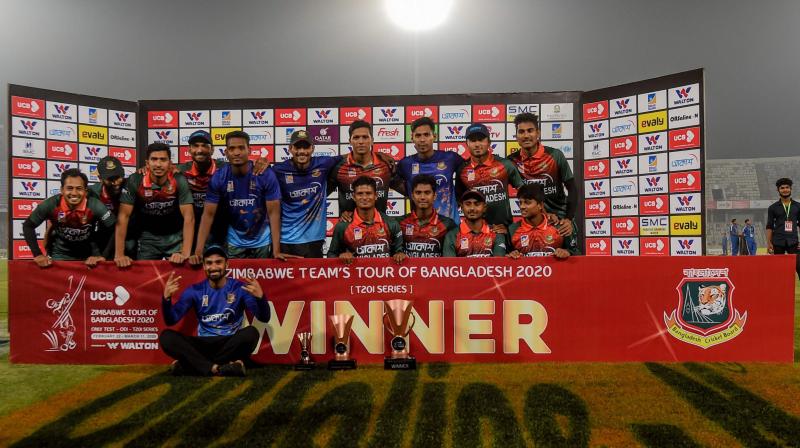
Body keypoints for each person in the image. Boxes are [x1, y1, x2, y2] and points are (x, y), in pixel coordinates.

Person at [159, 245, 269, 376]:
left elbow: (264, 318)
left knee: (252, 333)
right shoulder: (194, 290)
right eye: (209, 263)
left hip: (229, 342)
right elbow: (171, 320)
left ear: (226, 264)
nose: (214, 267)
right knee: (166, 337)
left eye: (218, 262)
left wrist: (261, 298)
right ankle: (220, 368)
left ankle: (192, 366)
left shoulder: (240, 288)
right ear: (204, 266)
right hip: (203, 344)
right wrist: (166, 299)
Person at [193, 131, 290, 261]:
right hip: (235, 242)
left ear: (249, 150)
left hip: (262, 241)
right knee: (235, 280)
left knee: (263, 281)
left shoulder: (265, 174)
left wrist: (276, 251)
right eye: (232, 148)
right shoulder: (219, 177)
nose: (237, 152)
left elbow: (274, 213)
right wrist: (198, 252)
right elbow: (208, 215)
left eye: (241, 148)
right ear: (226, 152)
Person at [114, 143, 195, 266]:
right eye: (154, 159)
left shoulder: (179, 180)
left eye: (163, 160)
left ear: (169, 163)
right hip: (148, 238)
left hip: (175, 237)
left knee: (181, 276)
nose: (158, 164)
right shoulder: (135, 180)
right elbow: (123, 217)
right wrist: (119, 254)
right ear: (147, 163)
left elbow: (189, 217)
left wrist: (185, 253)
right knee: (144, 278)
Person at [23, 168, 116, 268]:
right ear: (62, 190)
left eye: (79, 188)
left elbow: (115, 228)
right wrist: (37, 254)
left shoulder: (95, 205)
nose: (74, 193)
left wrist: (103, 256)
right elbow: (28, 226)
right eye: (69, 188)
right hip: (60, 255)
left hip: (89, 256)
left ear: (85, 191)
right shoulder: (51, 204)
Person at [271, 130, 342, 258]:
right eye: (298, 147)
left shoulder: (323, 163)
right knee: (286, 278)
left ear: (313, 148)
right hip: (286, 239)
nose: (302, 151)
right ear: (290, 149)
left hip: (314, 239)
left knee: (313, 278)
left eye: (306, 147)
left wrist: (379, 154)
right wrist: (261, 162)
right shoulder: (278, 169)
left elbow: (350, 156)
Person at [508, 112, 577, 238]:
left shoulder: (555, 156)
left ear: (538, 133)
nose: (526, 135)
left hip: (560, 221)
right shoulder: (512, 162)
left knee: (569, 255)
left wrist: (568, 219)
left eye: (530, 131)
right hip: (531, 223)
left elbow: (572, 189)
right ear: (516, 136)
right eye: (521, 132)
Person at [455, 123, 525, 235]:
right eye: (473, 140)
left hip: (502, 231)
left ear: (489, 142)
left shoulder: (505, 165)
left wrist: (513, 229)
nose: (477, 144)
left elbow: (525, 193)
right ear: (466, 144)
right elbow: (458, 202)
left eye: (481, 139)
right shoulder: (462, 170)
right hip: (475, 233)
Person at [396, 116, 464, 222]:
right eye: (418, 135)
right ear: (412, 138)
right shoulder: (405, 164)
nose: (422, 139)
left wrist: (460, 199)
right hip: (421, 228)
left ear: (434, 136)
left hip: (450, 226)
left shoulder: (450, 158)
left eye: (426, 135)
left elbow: (469, 173)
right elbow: (390, 180)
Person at [328, 176, 406, 264]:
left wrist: (400, 254)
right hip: (355, 276)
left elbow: (399, 251)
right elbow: (331, 255)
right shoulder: (343, 226)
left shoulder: (391, 223)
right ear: (353, 197)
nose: (364, 197)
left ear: (376, 195)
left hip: (384, 276)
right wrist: (341, 256)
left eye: (368, 193)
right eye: (360, 194)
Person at [331, 120, 397, 217]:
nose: (361, 142)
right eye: (356, 138)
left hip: (380, 229)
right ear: (350, 141)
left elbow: (410, 191)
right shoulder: (339, 167)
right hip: (349, 227)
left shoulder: (386, 165)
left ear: (372, 140)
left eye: (365, 137)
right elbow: (319, 194)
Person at [177, 130, 228, 251]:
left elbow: (246, 169)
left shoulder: (225, 169)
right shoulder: (180, 170)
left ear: (212, 150)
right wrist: (144, 170)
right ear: (189, 150)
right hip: (190, 230)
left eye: (204, 145)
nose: (199, 150)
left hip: (218, 231)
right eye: (195, 146)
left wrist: (262, 163)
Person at [507, 184, 578, 259]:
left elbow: (576, 253)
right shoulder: (513, 229)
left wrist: (567, 252)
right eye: (520, 203)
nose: (522, 207)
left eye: (527, 202)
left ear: (540, 205)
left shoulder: (559, 226)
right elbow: (504, 260)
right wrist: (510, 255)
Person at [398, 174, 456, 257]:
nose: (422, 197)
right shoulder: (400, 223)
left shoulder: (448, 224)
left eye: (427, 193)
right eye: (418, 193)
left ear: (434, 196)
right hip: (409, 270)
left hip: (435, 270)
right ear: (412, 196)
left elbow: (450, 258)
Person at [89, 156, 132, 259]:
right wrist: (99, 255)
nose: (116, 183)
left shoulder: (131, 187)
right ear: (100, 178)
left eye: (118, 177)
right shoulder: (92, 192)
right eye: (110, 179)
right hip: (104, 235)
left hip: (129, 235)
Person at [443, 190, 507, 257]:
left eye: (477, 204)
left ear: (484, 207)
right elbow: (449, 265)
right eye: (468, 204)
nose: (472, 208)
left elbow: (499, 264)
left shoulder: (496, 233)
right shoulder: (452, 236)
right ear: (462, 207)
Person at [766, 178, 800, 279]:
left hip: (793, 241)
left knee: (799, 266)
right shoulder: (772, 207)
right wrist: (768, 243)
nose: (785, 190)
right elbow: (769, 226)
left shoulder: (798, 206)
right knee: (778, 270)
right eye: (782, 188)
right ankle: (778, 292)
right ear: (778, 190)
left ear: (790, 189)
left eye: (787, 187)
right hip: (777, 242)